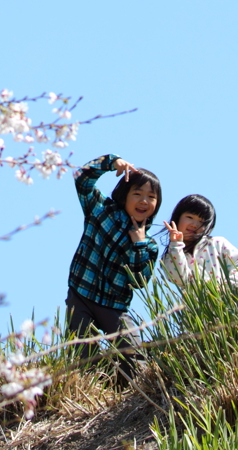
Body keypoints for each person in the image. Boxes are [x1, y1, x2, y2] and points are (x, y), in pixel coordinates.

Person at [66, 153, 162, 357]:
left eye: (151, 197)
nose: (144, 201)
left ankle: (121, 379)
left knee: (134, 355)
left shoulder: (150, 246)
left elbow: (139, 281)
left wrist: (139, 245)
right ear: (125, 194)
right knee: (82, 355)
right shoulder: (101, 210)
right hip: (81, 294)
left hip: (114, 307)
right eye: (137, 193)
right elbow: (82, 179)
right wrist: (110, 162)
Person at [162, 194, 238, 287]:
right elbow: (178, 279)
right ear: (177, 218)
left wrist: (229, 288)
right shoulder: (171, 255)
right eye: (190, 217)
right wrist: (176, 245)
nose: (194, 224)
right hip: (196, 301)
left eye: (201, 222)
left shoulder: (217, 243)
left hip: (226, 298)